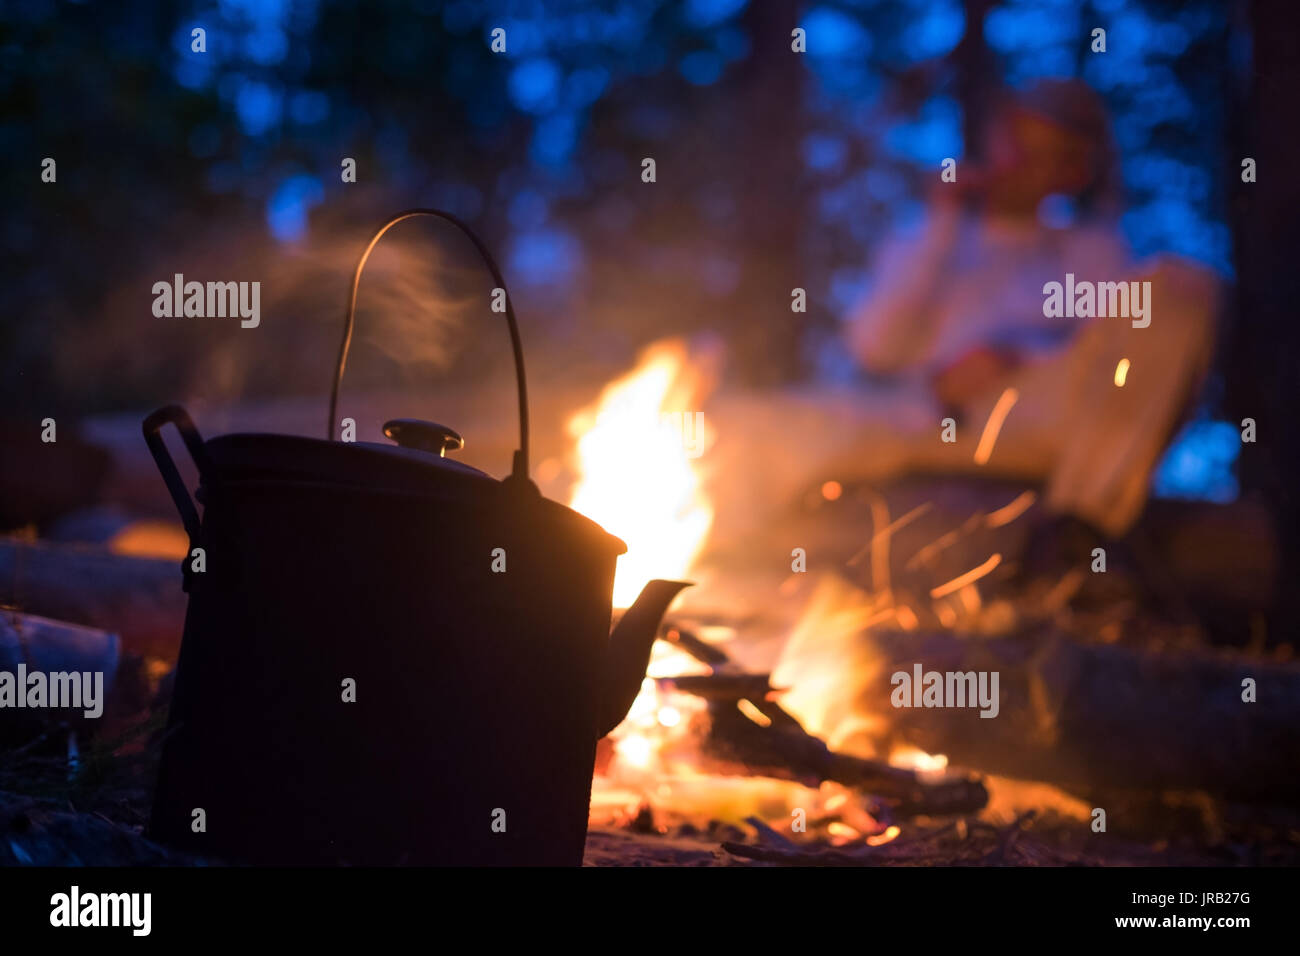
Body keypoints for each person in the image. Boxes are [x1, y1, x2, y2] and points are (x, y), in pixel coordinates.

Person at [843, 78, 1217, 536]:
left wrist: (1016, 355)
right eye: (1018, 142)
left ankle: (1082, 529)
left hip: (1051, 417)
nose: (1023, 165)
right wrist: (942, 227)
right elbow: (874, 349)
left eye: (1050, 153)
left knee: (1183, 287)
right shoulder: (927, 240)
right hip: (939, 420)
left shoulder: (1088, 252)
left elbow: (1118, 355)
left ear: (1075, 171)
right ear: (997, 137)